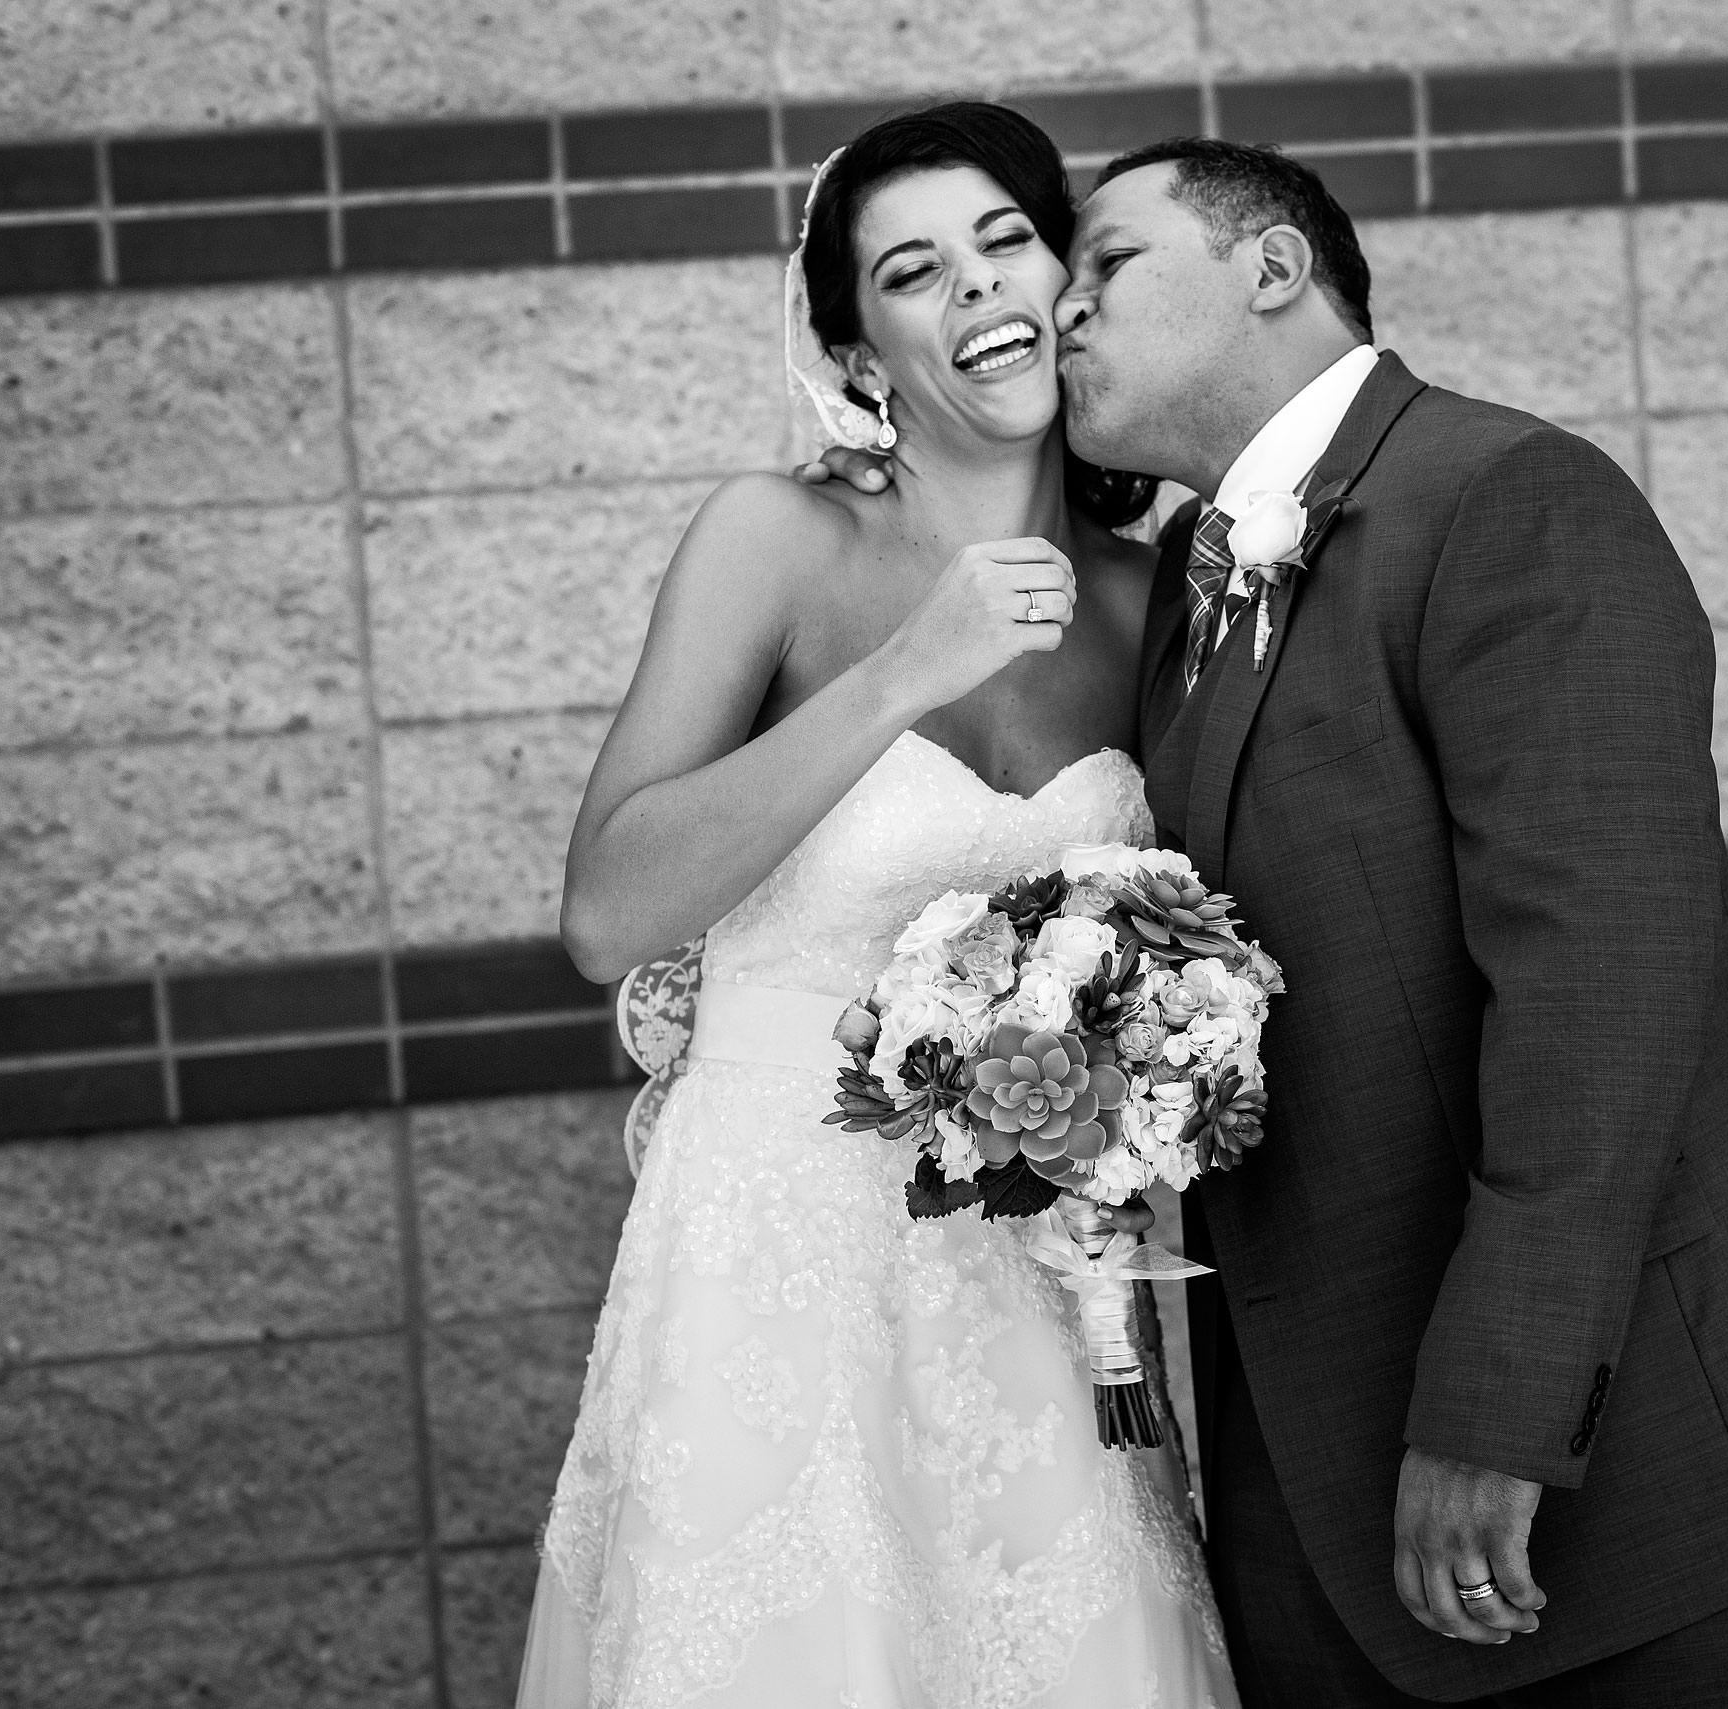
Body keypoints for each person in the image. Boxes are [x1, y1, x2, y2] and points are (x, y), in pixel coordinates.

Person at [820, 137, 1728, 1707]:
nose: (1055, 308)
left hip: (1604, 1464)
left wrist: (1501, 1416)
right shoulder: (1183, 585)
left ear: (1273, 269)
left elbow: (1604, 994)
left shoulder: (1508, 500)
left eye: (1106, 267)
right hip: (1307, 1470)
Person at [514, 103, 1237, 1708]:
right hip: (773, 1259)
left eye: (1006, 241)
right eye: (913, 271)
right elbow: (607, 910)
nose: (977, 289)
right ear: (861, 352)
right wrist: (913, 667)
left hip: (1042, 1289)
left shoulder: (1155, 597)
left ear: (1070, 277)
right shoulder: (773, 541)